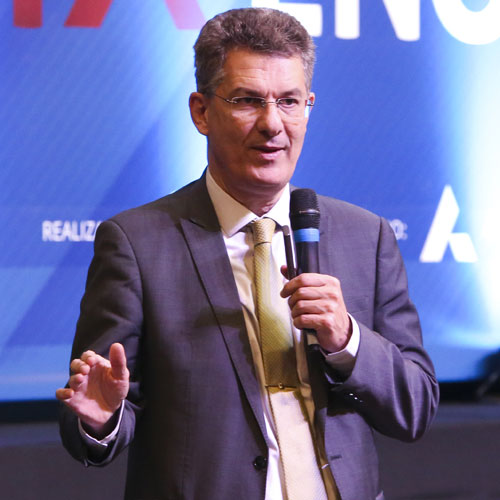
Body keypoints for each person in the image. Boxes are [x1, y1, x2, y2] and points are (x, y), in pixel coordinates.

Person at [56, 7, 439, 500]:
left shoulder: (366, 236)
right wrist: (101, 419)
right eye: (247, 101)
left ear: (309, 107)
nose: (272, 124)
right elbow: (99, 410)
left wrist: (347, 341)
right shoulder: (136, 244)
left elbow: (416, 408)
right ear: (201, 111)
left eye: (289, 101)